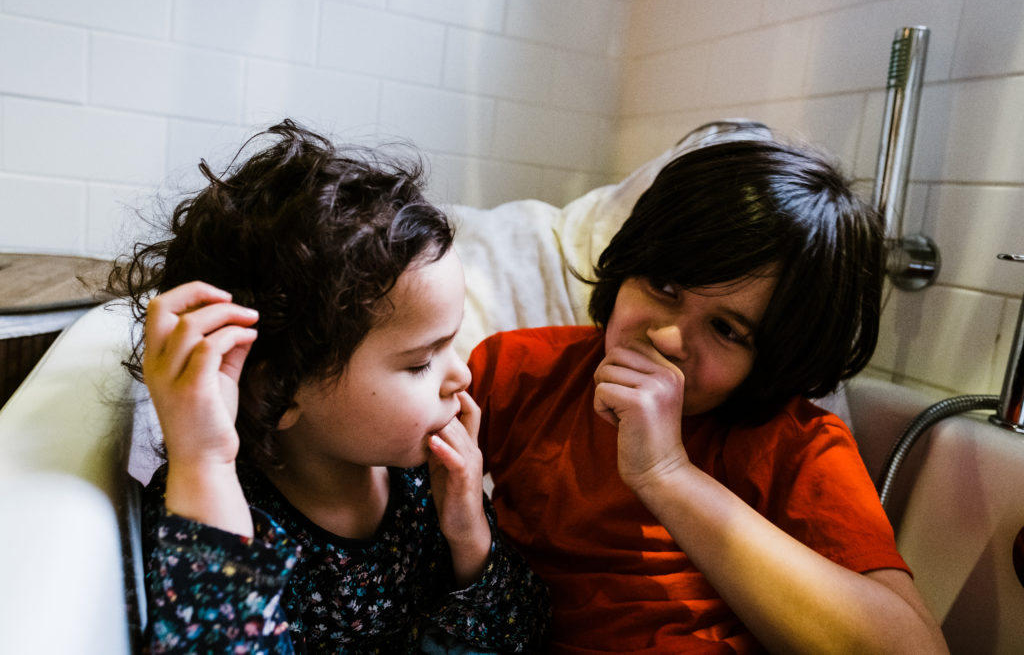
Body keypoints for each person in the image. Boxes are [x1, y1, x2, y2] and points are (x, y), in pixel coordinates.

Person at [467, 135, 949, 653]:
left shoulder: (796, 448)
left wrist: (667, 474)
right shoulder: (520, 371)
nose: (669, 339)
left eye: (726, 330)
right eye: (664, 287)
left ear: (774, 359)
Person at [110, 120, 550, 654]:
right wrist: (204, 461)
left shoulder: (420, 487)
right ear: (281, 391)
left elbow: (521, 634)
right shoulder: (214, 506)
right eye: (420, 363)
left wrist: (469, 533)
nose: (461, 376)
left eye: (450, 346)